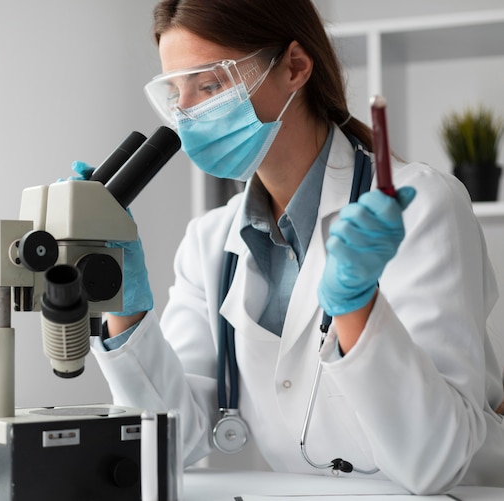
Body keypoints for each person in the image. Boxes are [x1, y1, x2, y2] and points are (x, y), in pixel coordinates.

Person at [78, 0, 504, 495]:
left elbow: (440, 457)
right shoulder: (210, 242)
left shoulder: (418, 205)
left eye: (210, 85)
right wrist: (123, 309)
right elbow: (177, 439)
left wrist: (357, 310)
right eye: (177, 94)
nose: (187, 116)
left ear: (296, 67)